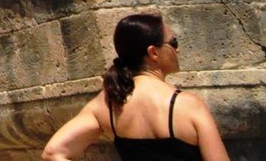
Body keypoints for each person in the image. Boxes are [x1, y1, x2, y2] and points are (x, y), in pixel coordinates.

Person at [42, 11, 229, 161]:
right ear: (153, 52)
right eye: (173, 42)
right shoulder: (188, 105)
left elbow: (53, 153)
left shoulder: (108, 103)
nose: (177, 49)